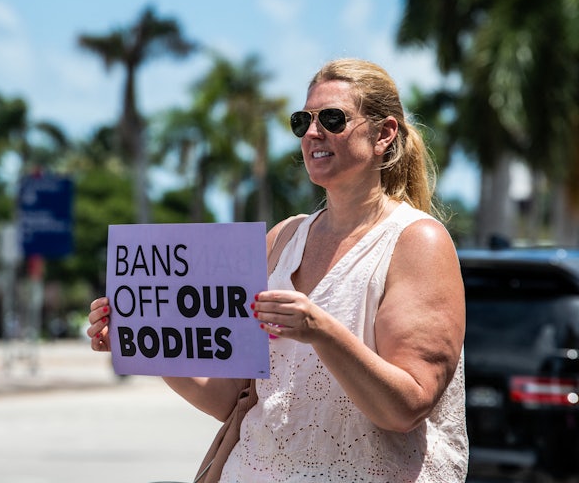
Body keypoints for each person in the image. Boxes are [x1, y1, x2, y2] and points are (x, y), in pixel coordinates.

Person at [86, 58, 468, 482]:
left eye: (333, 119)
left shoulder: (417, 241)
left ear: (384, 134)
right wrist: (147, 340)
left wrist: (321, 331)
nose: (311, 133)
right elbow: (234, 399)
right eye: (302, 120)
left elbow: (406, 407)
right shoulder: (283, 239)